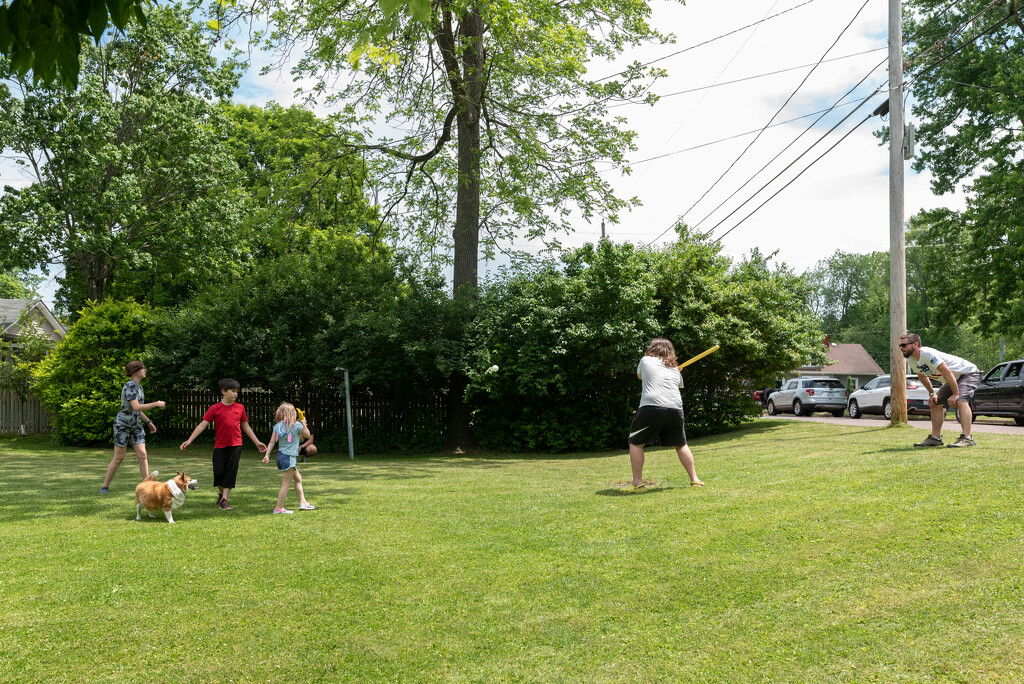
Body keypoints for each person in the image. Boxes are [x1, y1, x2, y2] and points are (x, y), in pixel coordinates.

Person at [626, 337, 704, 491]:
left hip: (651, 407)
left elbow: (640, 376)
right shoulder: (675, 369)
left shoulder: (646, 360)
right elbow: (677, 384)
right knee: (680, 444)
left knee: (635, 443)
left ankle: (637, 482)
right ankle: (694, 479)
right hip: (675, 409)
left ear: (652, 348)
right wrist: (675, 370)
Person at [180, 379, 267, 509]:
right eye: (233, 391)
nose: (236, 394)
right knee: (219, 473)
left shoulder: (240, 408)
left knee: (230, 473)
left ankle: (224, 500)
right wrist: (190, 440)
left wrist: (257, 442)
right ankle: (221, 495)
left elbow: (246, 426)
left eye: (237, 391)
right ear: (224, 392)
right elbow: (203, 425)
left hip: (236, 445)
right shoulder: (215, 408)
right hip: (220, 446)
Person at [901, 333, 982, 448]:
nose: (901, 348)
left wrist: (955, 394)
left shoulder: (927, 354)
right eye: (900, 345)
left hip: (968, 373)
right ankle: (935, 438)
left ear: (915, 344)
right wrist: (932, 394)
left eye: (903, 345)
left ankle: (967, 438)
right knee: (935, 403)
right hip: (953, 379)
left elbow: (947, 372)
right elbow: (922, 376)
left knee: (960, 401)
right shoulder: (912, 359)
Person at [100, 361, 166, 493]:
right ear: (135, 371)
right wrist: (156, 403)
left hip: (136, 426)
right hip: (122, 425)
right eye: (143, 369)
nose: (145, 370)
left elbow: (137, 410)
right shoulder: (130, 386)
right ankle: (105, 486)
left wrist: (148, 422)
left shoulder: (139, 387)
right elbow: (136, 406)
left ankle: (147, 486)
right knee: (119, 458)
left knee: (142, 455)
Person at [263, 402, 315, 514]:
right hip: (289, 458)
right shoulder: (296, 425)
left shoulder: (277, 426)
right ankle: (278, 508)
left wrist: (267, 455)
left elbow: (272, 441)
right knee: (285, 484)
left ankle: (303, 502)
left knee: (298, 479)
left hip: (281, 457)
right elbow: (307, 435)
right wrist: (303, 423)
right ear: (293, 413)